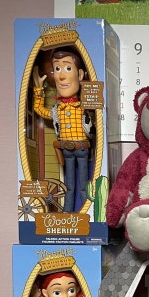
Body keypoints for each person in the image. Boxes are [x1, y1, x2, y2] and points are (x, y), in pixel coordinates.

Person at [33, 48, 93, 212]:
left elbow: (98, 115)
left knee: (83, 185)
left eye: (67, 68)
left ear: (79, 75)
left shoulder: (82, 107)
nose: (61, 76)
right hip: (66, 150)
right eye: (57, 68)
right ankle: (67, 212)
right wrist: (39, 91)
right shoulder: (57, 110)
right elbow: (40, 111)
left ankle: (85, 211)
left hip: (82, 148)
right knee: (69, 185)